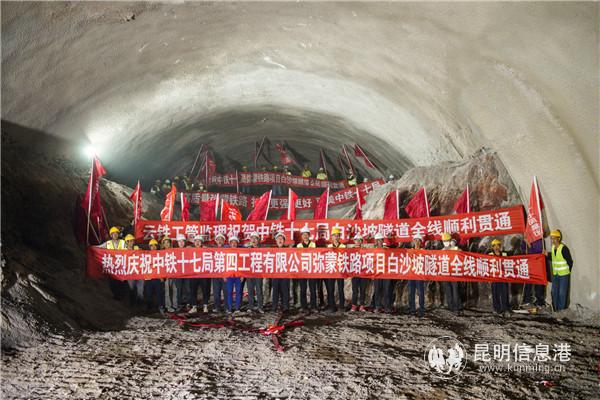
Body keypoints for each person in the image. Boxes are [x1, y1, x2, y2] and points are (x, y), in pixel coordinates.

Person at [548, 230, 573, 311]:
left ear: (558, 238)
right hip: (556, 274)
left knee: (562, 293)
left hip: (564, 275)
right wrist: (547, 255)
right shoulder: (553, 248)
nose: (552, 240)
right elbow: (554, 258)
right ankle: (555, 310)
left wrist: (567, 271)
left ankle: (561, 311)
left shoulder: (564, 248)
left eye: (554, 238)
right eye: (551, 238)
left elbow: (570, 261)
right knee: (554, 292)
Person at [189, 235, 211, 314]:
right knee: (193, 290)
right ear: (194, 242)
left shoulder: (206, 250)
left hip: (203, 274)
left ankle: (205, 306)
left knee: (205, 290)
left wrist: (207, 250)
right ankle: (194, 306)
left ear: (202, 242)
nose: (197, 243)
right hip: (193, 274)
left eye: (199, 241)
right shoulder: (190, 250)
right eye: (196, 241)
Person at [296, 226, 316, 312]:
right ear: (301, 236)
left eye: (306, 234)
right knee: (303, 289)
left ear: (309, 235)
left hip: (312, 270)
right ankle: (303, 306)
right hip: (302, 270)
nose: (305, 236)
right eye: (303, 234)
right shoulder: (298, 245)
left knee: (312, 289)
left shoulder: (314, 244)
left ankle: (313, 306)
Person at [103, 227, 126, 299]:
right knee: (112, 282)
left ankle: (121, 296)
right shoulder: (108, 243)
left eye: (116, 233)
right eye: (114, 234)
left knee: (121, 282)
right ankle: (115, 295)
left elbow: (128, 251)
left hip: (121, 265)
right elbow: (100, 248)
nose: (115, 235)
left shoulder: (123, 242)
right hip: (112, 266)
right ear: (111, 235)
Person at [326, 227, 346, 312]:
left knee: (341, 289)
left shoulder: (343, 246)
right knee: (331, 289)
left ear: (339, 237)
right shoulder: (328, 246)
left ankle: (341, 306)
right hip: (331, 270)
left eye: (338, 236)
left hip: (340, 270)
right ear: (332, 237)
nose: (336, 237)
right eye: (335, 236)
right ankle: (332, 306)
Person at [441, 232, 461, 313]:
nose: (446, 242)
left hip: (454, 272)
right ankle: (450, 306)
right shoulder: (442, 250)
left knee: (455, 290)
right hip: (445, 273)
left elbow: (462, 253)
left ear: (450, 240)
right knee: (448, 290)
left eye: (447, 240)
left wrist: (454, 248)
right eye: (444, 241)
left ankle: (456, 307)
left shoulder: (455, 248)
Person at [371, 233, 392, 313]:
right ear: (376, 241)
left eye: (381, 240)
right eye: (378, 240)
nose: (379, 241)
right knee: (377, 290)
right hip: (377, 273)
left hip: (386, 273)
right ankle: (377, 306)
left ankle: (387, 306)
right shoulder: (372, 251)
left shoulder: (387, 249)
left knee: (387, 290)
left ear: (383, 241)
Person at [489, 239, 510, 315]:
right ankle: (496, 309)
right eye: (494, 246)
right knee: (495, 294)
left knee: (505, 293)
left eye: (498, 245)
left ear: (500, 246)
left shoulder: (504, 254)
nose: (496, 247)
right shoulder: (489, 255)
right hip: (494, 277)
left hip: (503, 277)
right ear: (492, 247)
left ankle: (505, 308)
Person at [144, 239, 165, 313]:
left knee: (159, 293)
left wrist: (162, 277)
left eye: (155, 245)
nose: (153, 247)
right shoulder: (146, 255)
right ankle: (149, 307)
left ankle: (161, 307)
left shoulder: (160, 254)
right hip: (148, 277)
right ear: (149, 247)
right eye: (151, 246)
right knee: (149, 293)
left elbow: (162, 266)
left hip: (158, 277)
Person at [271, 231, 291, 313]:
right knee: (275, 291)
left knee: (285, 291)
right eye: (278, 239)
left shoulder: (288, 250)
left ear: (284, 241)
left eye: (281, 239)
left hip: (285, 274)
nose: (280, 240)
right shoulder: (272, 250)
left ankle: (285, 306)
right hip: (275, 274)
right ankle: (274, 306)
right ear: (276, 241)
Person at [408, 234, 426, 317]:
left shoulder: (424, 251)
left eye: (419, 240)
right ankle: (412, 309)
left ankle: (421, 309)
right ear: (413, 241)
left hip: (419, 275)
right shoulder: (410, 251)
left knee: (421, 292)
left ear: (421, 242)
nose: (417, 242)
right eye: (416, 240)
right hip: (411, 274)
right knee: (411, 292)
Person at [246, 232, 264, 313]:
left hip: (258, 273)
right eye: (252, 238)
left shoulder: (262, 249)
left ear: (258, 240)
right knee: (250, 290)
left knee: (259, 290)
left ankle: (260, 307)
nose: (253, 240)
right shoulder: (247, 249)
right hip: (249, 273)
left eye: (255, 238)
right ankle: (251, 306)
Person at [124, 234, 144, 306]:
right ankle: (132, 303)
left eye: (132, 241)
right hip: (130, 273)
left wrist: (141, 252)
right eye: (130, 241)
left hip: (139, 272)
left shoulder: (136, 248)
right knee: (131, 288)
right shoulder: (123, 251)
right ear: (127, 242)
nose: (132, 242)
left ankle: (140, 304)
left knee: (140, 289)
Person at [225, 235, 243, 314]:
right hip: (229, 275)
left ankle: (237, 308)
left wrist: (242, 275)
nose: (234, 244)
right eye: (232, 242)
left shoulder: (241, 253)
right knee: (229, 292)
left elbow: (243, 264)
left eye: (235, 242)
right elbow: (224, 264)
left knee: (238, 292)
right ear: (230, 244)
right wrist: (224, 275)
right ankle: (229, 308)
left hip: (238, 275)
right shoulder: (226, 253)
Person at [350, 234, 368, 312]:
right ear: (354, 241)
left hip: (363, 273)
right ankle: (354, 305)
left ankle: (362, 305)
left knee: (362, 290)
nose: (358, 241)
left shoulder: (365, 250)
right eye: (356, 240)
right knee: (355, 290)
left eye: (360, 240)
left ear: (361, 241)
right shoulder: (351, 250)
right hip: (354, 273)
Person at [212, 233, 227, 313]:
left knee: (226, 292)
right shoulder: (212, 250)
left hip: (225, 274)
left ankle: (227, 307)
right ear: (216, 241)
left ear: (224, 241)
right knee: (216, 292)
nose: (220, 241)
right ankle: (217, 307)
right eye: (218, 239)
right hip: (216, 274)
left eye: (221, 239)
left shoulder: (227, 250)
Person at [162, 236, 177, 312]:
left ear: (170, 243)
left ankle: (175, 305)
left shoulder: (174, 251)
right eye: (165, 243)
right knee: (167, 291)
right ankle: (168, 306)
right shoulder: (161, 253)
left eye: (168, 242)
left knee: (175, 290)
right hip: (166, 275)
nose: (166, 244)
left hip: (173, 273)